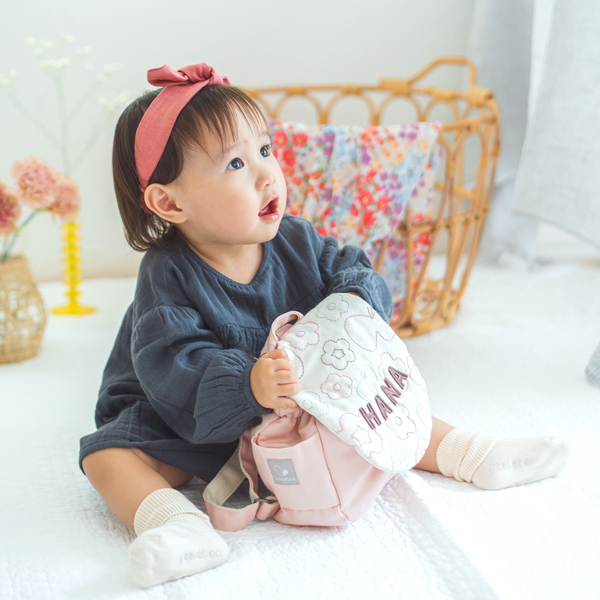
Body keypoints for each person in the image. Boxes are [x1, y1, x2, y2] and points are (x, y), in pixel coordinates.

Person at [79, 62, 570, 588]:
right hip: (187, 415)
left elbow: (352, 270)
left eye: (265, 150)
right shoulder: (168, 277)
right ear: (169, 202)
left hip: (298, 400)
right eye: (236, 163)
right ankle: (178, 528)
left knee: (377, 403)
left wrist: (352, 306)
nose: (267, 174)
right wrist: (247, 385)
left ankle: (474, 454)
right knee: (106, 456)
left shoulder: (294, 239)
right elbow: (174, 364)